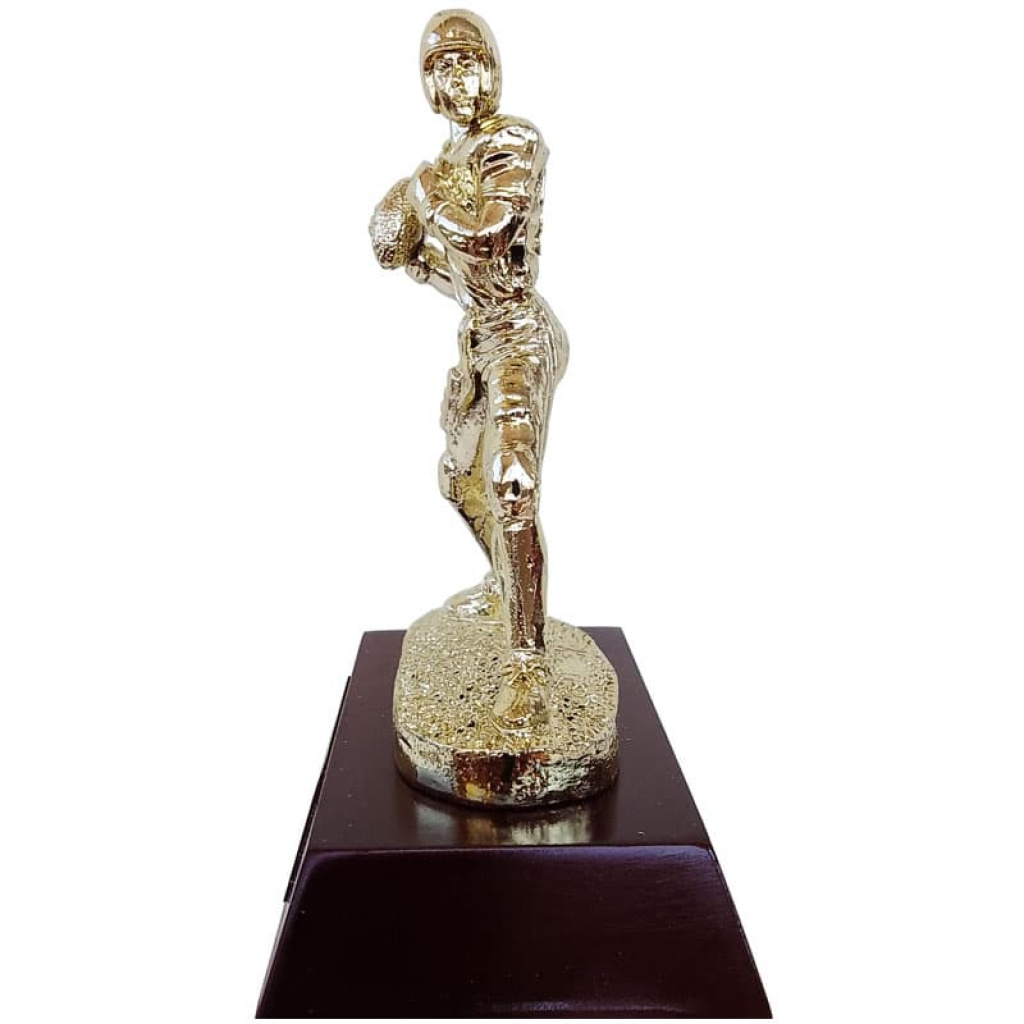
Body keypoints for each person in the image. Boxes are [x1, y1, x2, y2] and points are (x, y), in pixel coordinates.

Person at [377, 10, 568, 734]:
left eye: (468, 62)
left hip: (521, 336)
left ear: (492, 68)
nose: (458, 80)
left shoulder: (512, 142)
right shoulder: (449, 156)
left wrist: (422, 197)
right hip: (481, 339)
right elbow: (462, 280)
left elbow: (489, 238)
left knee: (511, 482)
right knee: (459, 481)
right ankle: (507, 581)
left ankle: (527, 663)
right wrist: (410, 257)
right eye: (443, 68)